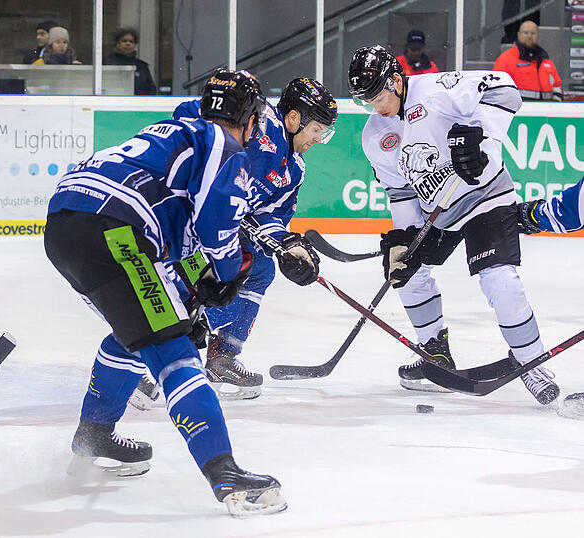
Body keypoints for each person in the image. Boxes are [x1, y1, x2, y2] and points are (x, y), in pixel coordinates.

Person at [44, 70, 298, 516]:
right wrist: (226, 277)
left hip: (67, 224)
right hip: (115, 230)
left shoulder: (175, 130)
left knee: (136, 332)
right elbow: (216, 230)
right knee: (174, 352)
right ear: (251, 118)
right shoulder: (224, 145)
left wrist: (190, 295)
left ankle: (95, 437)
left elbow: (173, 229)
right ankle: (225, 474)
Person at [348, 44, 559, 405]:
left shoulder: (438, 89)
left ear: (395, 80)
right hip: (438, 212)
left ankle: (531, 361)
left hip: (484, 197)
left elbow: (505, 89)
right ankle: (434, 350)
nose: (376, 106)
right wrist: (404, 239)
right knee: (406, 271)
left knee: (500, 281)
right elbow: (400, 191)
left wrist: (481, 139)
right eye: (367, 101)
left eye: (378, 96)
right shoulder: (374, 137)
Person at [143, 78, 335, 401]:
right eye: (316, 129)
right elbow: (187, 112)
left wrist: (289, 246)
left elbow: (271, 216)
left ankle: (222, 355)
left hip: (219, 232)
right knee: (175, 287)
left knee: (260, 269)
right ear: (294, 118)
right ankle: (141, 366)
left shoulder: (295, 170)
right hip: (183, 219)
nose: (318, 138)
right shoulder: (259, 121)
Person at [493, 20, 562, 101]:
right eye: (525, 33)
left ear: (538, 35)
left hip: (547, 108)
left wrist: (555, 104)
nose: (529, 36)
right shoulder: (505, 59)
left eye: (533, 33)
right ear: (519, 35)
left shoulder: (546, 61)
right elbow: (498, 89)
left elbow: (557, 86)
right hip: (520, 108)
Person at [104, 28, 156, 95]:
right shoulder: (107, 63)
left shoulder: (141, 66)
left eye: (131, 41)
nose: (128, 43)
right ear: (117, 44)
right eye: (124, 41)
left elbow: (151, 89)